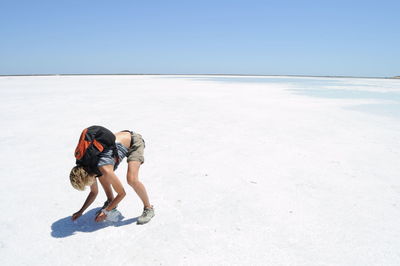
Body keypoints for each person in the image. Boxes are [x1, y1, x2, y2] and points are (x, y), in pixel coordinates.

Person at [69, 128, 154, 225]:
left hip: (133, 141)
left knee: (131, 180)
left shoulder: (104, 168)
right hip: (117, 141)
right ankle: (111, 202)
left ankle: (148, 208)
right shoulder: (87, 166)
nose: (89, 185)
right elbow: (94, 192)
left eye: (87, 183)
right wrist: (81, 211)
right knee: (101, 175)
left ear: (87, 176)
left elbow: (122, 193)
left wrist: (106, 212)